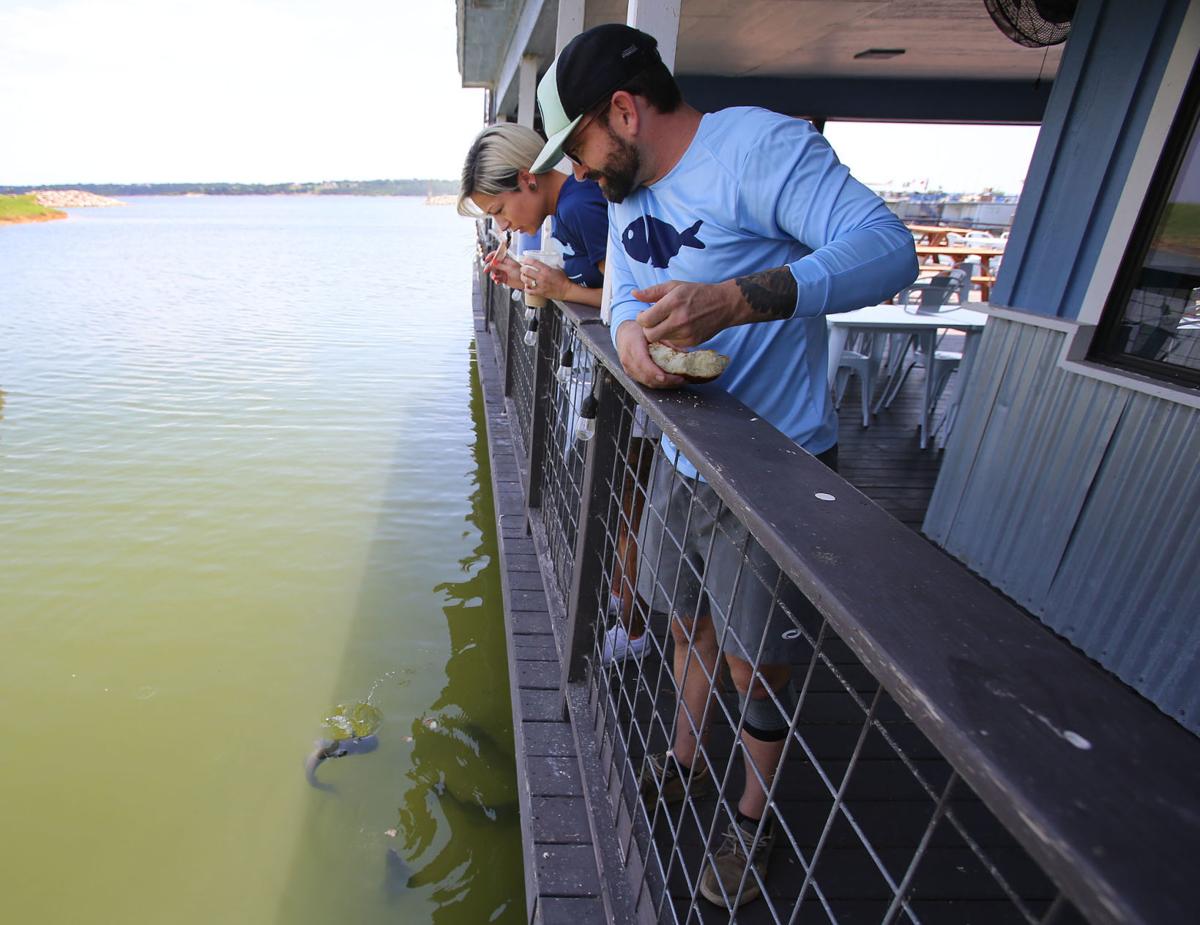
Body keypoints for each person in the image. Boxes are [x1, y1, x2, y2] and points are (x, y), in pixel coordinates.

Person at [531, 24, 917, 909]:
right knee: (684, 624)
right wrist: (630, 337)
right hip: (682, 452)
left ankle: (751, 818)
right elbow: (625, 288)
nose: (580, 177)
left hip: (775, 468)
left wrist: (740, 298)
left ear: (623, 111)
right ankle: (681, 756)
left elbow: (888, 247)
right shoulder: (628, 189)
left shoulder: (760, 146)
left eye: (581, 151)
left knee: (756, 664)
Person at [457, 122, 608, 307]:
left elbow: (630, 299)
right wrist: (528, 279)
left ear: (527, 179)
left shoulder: (578, 208)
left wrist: (565, 290)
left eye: (499, 210)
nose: (502, 225)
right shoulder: (562, 210)